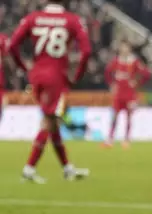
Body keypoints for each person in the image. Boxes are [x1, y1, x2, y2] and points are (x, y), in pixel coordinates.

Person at [9, 0, 91, 184]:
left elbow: (12, 45)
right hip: (56, 76)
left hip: (37, 75)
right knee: (48, 121)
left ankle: (67, 168)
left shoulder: (32, 18)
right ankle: (29, 168)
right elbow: (86, 51)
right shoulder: (72, 20)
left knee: (53, 121)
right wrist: (76, 75)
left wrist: (24, 67)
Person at [103, 40, 150, 148]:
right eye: (122, 47)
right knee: (114, 116)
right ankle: (110, 139)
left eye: (126, 47)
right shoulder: (116, 61)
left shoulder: (134, 61)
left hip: (130, 94)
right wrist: (112, 84)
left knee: (128, 117)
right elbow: (107, 72)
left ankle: (126, 139)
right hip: (119, 93)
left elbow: (146, 74)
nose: (124, 49)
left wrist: (137, 83)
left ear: (129, 49)